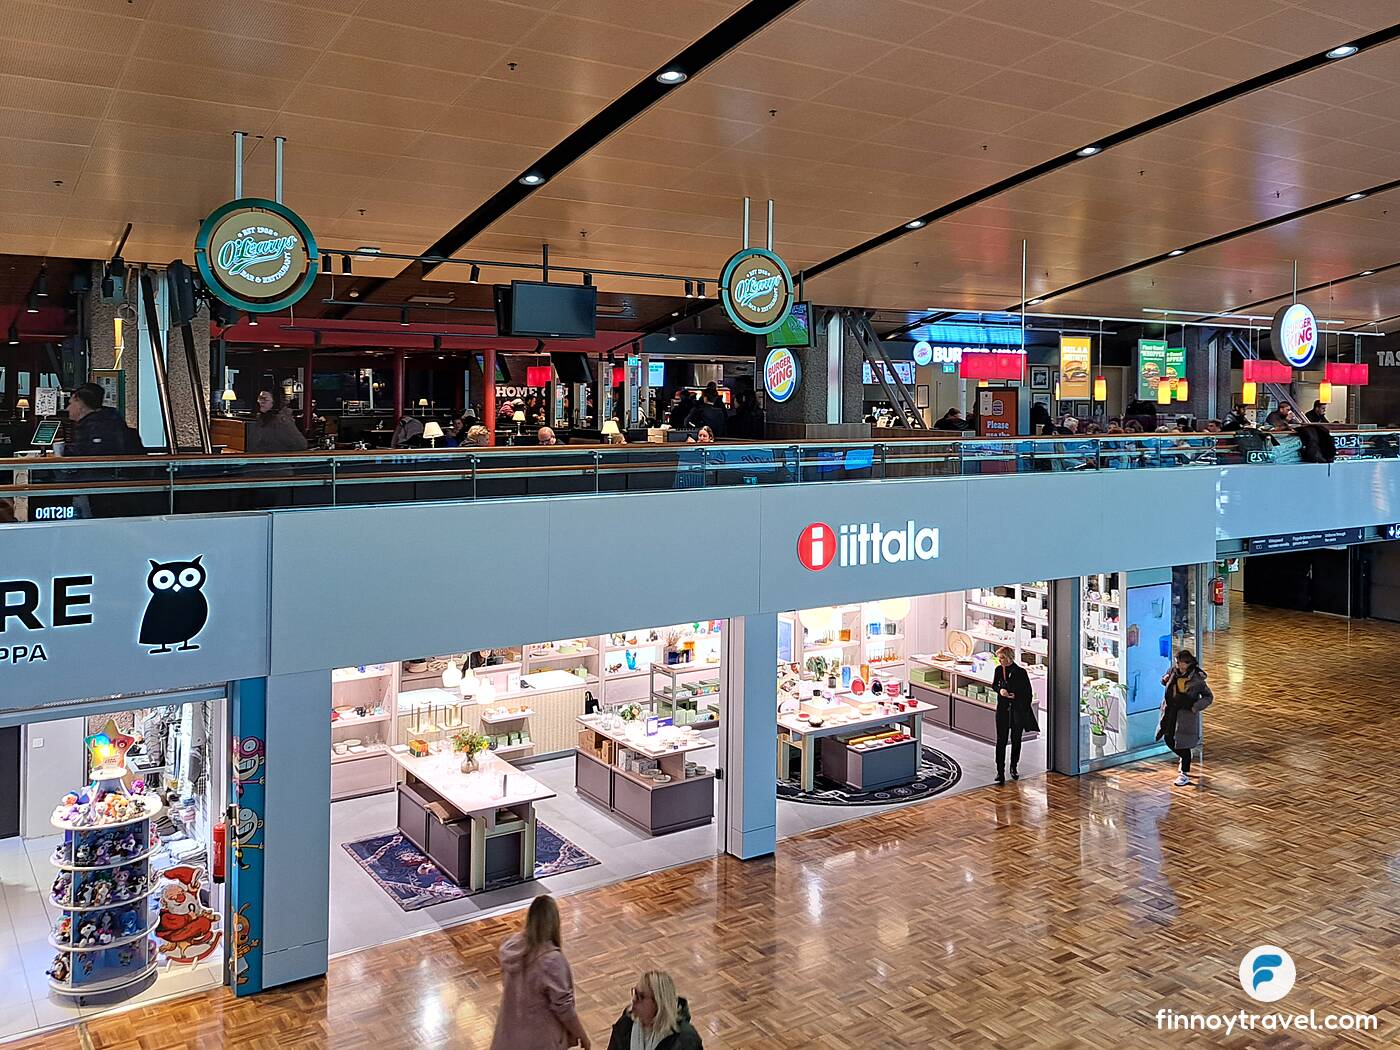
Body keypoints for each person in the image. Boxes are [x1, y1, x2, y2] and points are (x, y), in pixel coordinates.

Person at [490, 895, 590, 1050]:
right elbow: (564, 1007)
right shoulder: (551, 961)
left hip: (507, 1039)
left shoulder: (512, 948)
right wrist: (581, 1035)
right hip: (539, 1041)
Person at [1155, 650, 1214, 787]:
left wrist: (1195, 707)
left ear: (1186, 663)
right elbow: (1166, 683)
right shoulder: (1173, 672)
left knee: (1183, 741)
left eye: (1179, 662)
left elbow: (1208, 697)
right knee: (1168, 737)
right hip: (1170, 709)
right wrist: (1164, 680)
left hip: (1186, 713)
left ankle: (1184, 772)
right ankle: (1184, 757)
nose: (1177, 664)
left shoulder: (1197, 679)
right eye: (1176, 662)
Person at [606, 970, 703, 1050]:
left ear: (659, 1003)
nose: (634, 999)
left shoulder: (686, 1040)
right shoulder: (625, 1025)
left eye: (641, 996)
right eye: (635, 993)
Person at [991, 647, 1037, 784]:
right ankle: (1000, 770)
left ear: (1010, 657)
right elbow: (994, 685)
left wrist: (1015, 696)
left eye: (1002, 658)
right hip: (1003, 710)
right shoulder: (999, 670)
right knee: (1001, 741)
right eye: (999, 658)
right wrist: (1000, 691)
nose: (1000, 661)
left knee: (1016, 740)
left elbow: (1028, 693)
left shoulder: (1020, 672)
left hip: (1017, 711)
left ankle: (1013, 767)